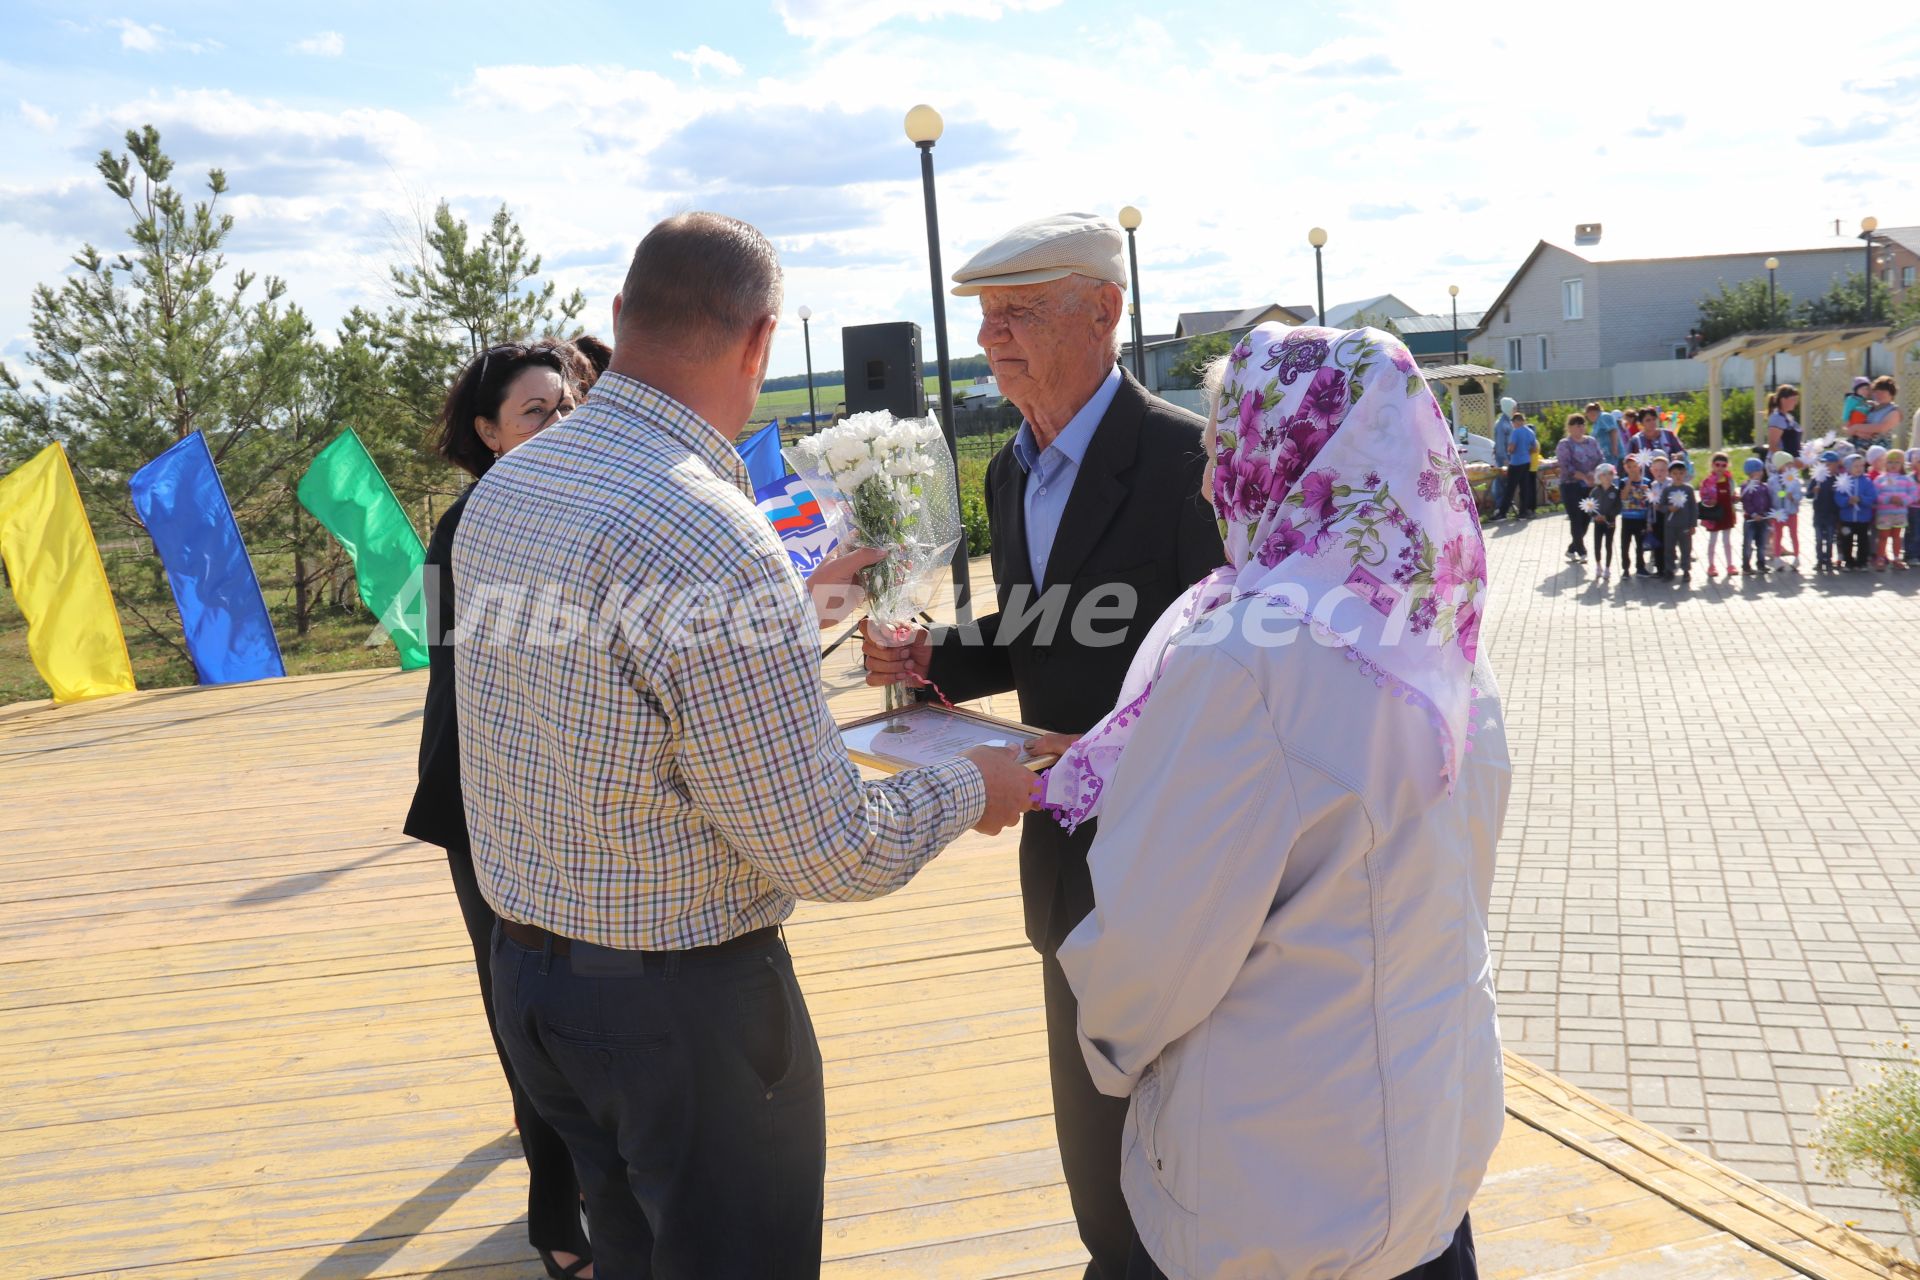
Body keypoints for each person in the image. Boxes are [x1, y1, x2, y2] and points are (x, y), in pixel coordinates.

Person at [454, 213, 1038, 1279]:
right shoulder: (712, 532)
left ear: (621, 316)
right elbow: (831, 849)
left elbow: (617, 677)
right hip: (683, 1019)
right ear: (761, 343)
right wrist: (973, 782)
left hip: (533, 980)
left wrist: (796, 609)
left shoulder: (511, 488)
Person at [1048, 322, 1509, 1280]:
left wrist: (1107, 1047)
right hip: (1427, 1154)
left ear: (1283, 452)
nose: (1214, 478)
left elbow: (1151, 949)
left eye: (1225, 446)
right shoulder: (1431, 636)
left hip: (1280, 1188)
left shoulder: (1247, 656)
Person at [860, 211, 1223, 1279]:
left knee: (1192, 1114)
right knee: (1089, 1131)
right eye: (985, 317)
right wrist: (935, 657)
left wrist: (1106, 745)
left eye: (1018, 312)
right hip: (1063, 859)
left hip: (1181, 853)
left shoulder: (1188, 460)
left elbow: (1233, 665)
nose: (992, 338)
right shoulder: (1010, 472)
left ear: (1106, 310)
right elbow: (1047, 625)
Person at [403, 341, 593, 1280]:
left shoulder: (563, 512)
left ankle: (596, 1190)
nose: (562, 422)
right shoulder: (474, 527)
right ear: (486, 433)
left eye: (570, 405)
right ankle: (560, 1219)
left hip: (552, 799)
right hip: (485, 804)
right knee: (529, 1014)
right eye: (536, 413)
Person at [1556, 412, 1602, 563]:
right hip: (1571, 485)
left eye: (1582, 424)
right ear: (1569, 427)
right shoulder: (1565, 444)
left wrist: (1593, 474)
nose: (1580, 427)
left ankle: (1572, 549)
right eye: (1576, 424)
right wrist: (1583, 476)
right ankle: (1582, 551)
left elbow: (1601, 459)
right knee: (1575, 517)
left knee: (1586, 518)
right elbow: (1565, 465)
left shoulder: (1591, 442)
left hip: (1590, 485)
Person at [1872, 447, 1915, 569]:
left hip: (1900, 512)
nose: (1893, 465)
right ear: (1885, 463)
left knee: (1897, 536)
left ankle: (1896, 559)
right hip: (1884, 513)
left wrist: (1903, 501)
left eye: (1897, 462)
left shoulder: (1907, 479)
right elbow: (1875, 494)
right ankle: (1880, 558)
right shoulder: (1880, 478)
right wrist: (1888, 499)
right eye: (1890, 462)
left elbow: (1913, 494)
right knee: (1883, 536)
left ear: (1902, 464)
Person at [1699, 451, 1737, 579]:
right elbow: (1703, 496)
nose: (1720, 468)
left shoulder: (1729, 479)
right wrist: (1709, 501)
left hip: (1726, 513)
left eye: (1723, 465)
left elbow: (1732, 495)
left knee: (1727, 541)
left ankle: (1730, 564)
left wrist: (1735, 498)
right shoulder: (1708, 481)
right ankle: (1711, 565)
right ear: (1712, 465)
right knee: (1712, 541)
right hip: (1714, 515)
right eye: (1717, 464)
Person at [1495, 409, 1538, 519]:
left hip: (1516, 463)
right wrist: (1526, 452)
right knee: (1524, 488)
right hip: (1526, 462)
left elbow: (1511, 448)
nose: (1513, 425)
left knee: (1510, 488)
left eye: (1513, 422)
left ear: (1517, 421)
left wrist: (1509, 451)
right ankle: (1523, 513)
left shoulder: (1516, 432)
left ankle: (1502, 513)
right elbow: (1535, 448)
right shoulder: (1530, 432)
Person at [1659, 458, 1697, 581]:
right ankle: (1669, 570)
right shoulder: (1667, 490)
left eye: (1680, 473)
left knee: (1686, 548)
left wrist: (1693, 524)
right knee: (1669, 548)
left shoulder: (1688, 489)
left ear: (1685, 473)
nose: (1678, 476)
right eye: (1675, 473)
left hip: (1684, 525)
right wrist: (1669, 508)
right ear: (1670, 474)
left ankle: (1686, 570)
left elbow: (1693, 508)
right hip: (1670, 525)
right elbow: (1661, 506)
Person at [1837, 454, 1876, 571]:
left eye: (1861, 466)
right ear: (1848, 468)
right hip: (1847, 518)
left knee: (1863, 540)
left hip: (1863, 518)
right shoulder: (1843, 481)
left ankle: (1862, 562)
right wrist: (1847, 501)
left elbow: (1873, 496)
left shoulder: (1867, 481)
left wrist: (1861, 499)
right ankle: (1848, 562)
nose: (1859, 468)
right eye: (1855, 466)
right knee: (1846, 540)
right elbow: (1838, 497)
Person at [1739, 457, 1772, 576]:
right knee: (1748, 543)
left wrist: (1769, 512)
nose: (1761, 473)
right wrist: (1753, 513)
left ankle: (1761, 564)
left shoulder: (1764, 487)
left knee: (1762, 543)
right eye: (1758, 471)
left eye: (1761, 471)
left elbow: (1768, 500)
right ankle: (1746, 566)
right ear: (1750, 473)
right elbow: (1746, 502)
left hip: (1763, 519)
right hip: (1750, 519)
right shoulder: (1746, 487)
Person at [1619, 454, 1652, 575]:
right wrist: (1629, 483)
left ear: (1640, 466)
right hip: (1627, 518)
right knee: (1625, 545)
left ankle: (1640, 567)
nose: (1633, 469)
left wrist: (1647, 490)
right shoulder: (1623, 482)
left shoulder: (1647, 481)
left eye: (1635, 466)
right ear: (1626, 468)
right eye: (1629, 467)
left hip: (1641, 518)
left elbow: (1651, 499)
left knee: (1640, 544)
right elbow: (1622, 497)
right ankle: (1625, 568)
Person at [1810, 449, 1843, 572]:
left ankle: (1828, 560)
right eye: (1823, 464)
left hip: (1831, 515)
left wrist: (1836, 492)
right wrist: (1813, 491)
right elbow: (1808, 494)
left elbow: (1842, 496)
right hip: (1818, 514)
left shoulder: (1837, 480)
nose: (1826, 467)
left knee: (1829, 539)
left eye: (1829, 464)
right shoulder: (1816, 479)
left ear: (1836, 466)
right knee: (1818, 539)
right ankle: (1819, 560)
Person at [1770, 453, 1804, 569]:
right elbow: (1772, 495)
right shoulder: (1773, 481)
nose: (1790, 467)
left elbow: (1799, 495)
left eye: (1791, 464)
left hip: (1791, 512)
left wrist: (1794, 498)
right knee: (1778, 535)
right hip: (1778, 512)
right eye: (1787, 464)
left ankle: (1796, 557)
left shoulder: (1795, 480)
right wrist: (1783, 494)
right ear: (1780, 466)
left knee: (1793, 534)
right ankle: (1777, 558)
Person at [1591, 462, 1621, 582]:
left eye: (1610, 474)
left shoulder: (1616, 490)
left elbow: (1618, 507)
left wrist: (1608, 516)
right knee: (1597, 545)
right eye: (1604, 474)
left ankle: (1608, 568)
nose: (1607, 477)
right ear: (1599, 476)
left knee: (1608, 545)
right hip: (1598, 523)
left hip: (1610, 523)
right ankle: (1598, 566)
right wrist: (1594, 515)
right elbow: (1589, 505)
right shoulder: (1595, 491)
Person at [1862, 376, 1902, 450]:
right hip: (1862, 446)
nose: (1879, 395)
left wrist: (1856, 427)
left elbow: (1881, 428)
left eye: (1883, 392)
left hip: (1881, 451)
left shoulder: (1894, 411)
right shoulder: (1870, 407)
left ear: (1891, 394)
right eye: (1876, 392)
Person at [1491, 397, 1515, 514]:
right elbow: (1500, 445)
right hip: (1503, 460)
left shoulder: (1508, 422)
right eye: (1513, 408)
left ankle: (1506, 506)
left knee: (1507, 483)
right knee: (1501, 483)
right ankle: (1500, 508)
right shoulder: (1501, 424)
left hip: (1509, 458)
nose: (1515, 410)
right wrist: (1505, 460)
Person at [1766, 385, 1802, 461]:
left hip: (1788, 464)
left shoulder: (1789, 417)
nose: (1795, 403)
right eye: (1793, 399)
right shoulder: (1777, 418)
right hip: (1779, 464)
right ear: (1783, 400)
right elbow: (1773, 446)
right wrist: (1790, 460)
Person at [1588, 400, 1626, 468]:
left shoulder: (1604, 416)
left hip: (1614, 454)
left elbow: (1613, 431)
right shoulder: (1596, 423)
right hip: (1606, 456)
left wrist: (1614, 448)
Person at [1843, 375, 1872, 444]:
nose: (1865, 391)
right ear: (1856, 390)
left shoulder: (1865, 401)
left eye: (1867, 388)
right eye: (1862, 389)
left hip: (1864, 429)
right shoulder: (1852, 399)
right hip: (1855, 430)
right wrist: (1848, 426)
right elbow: (1846, 413)